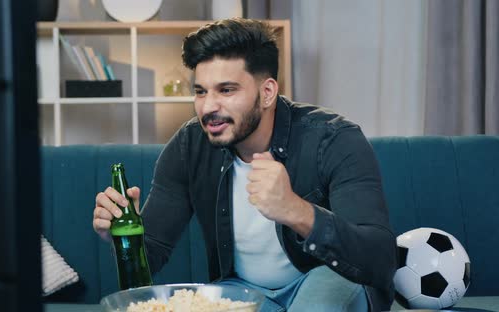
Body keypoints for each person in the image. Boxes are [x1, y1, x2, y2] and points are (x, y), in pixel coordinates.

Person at [93, 18, 396, 312]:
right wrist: (122, 236)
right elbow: (153, 253)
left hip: (324, 277)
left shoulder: (334, 139)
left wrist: (296, 210)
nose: (209, 107)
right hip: (242, 290)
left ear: (267, 92)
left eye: (226, 90)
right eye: (200, 91)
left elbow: (380, 259)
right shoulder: (188, 146)